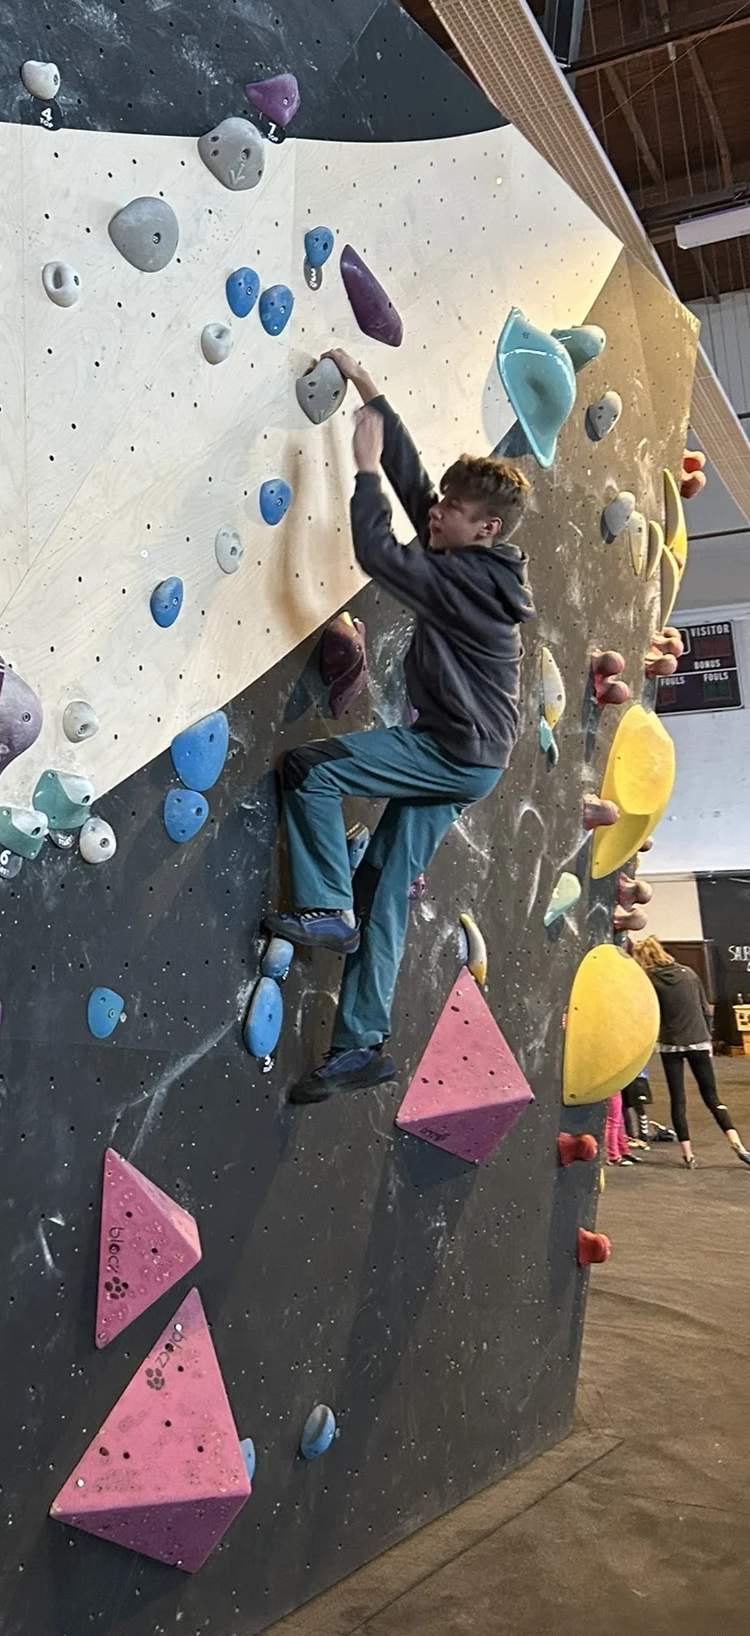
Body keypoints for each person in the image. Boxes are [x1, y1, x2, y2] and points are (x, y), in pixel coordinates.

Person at [272, 351, 534, 1102]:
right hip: (475, 756)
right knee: (386, 882)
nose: (437, 511)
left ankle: (325, 908)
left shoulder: (465, 584)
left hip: (454, 754)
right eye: (443, 503)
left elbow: (377, 550)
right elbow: (417, 484)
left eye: (453, 509)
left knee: (312, 771)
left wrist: (359, 470)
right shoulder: (468, 551)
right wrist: (371, 391)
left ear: (484, 529)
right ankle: (361, 1046)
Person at [633, 936, 750, 1169]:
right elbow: (705, 1008)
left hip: (670, 1044)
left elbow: (649, 1014)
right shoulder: (689, 973)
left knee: (678, 1099)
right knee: (712, 1097)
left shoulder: (648, 981)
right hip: (698, 1040)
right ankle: (739, 1145)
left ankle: (688, 1155)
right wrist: (707, 1037)